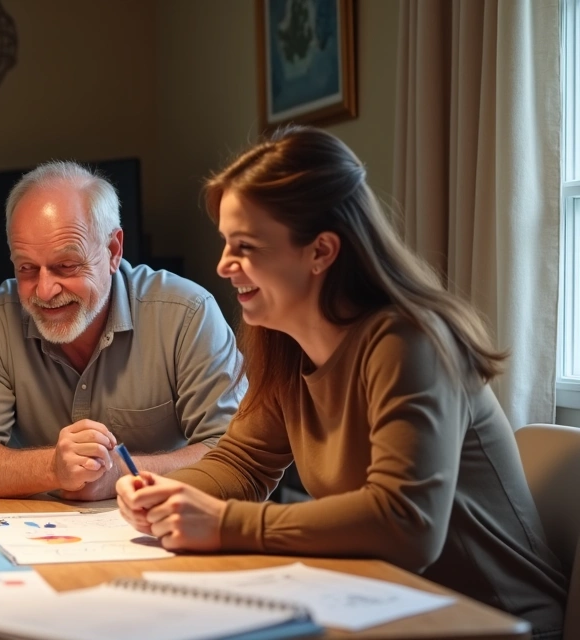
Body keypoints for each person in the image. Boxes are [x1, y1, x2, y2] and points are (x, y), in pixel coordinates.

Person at [116, 126, 566, 637]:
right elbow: (241, 461)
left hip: (491, 620)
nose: (223, 265)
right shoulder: (284, 340)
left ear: (321, 251)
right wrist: (163, 494)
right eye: (225, 243)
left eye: (245, 246)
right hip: (385, 603)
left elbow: (405, 523)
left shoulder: (408, 341)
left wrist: (222, 524)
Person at [0, 161, 246, 500]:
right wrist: (52, 468)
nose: (45, 290)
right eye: (26, 269)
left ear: (113, 251)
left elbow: (236, 458)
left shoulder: (186, 313)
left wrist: (119, 474)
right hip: (35, 536)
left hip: (164, 528)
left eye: (66, 266)